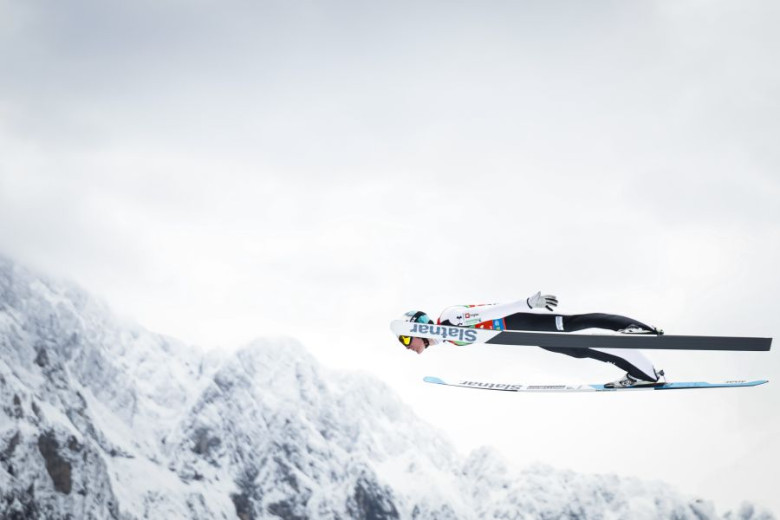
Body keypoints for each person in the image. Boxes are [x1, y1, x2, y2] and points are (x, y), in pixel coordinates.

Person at [397, 291, 664, 388]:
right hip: (520, 333)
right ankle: (643, 373)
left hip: (520, 320)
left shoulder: (450, 318)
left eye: (407, 341)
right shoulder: (447, 337)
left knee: (576, 323)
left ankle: (635, 328)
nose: (409, 348)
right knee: (579, 350)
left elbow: (491, 312)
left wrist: (526, 303)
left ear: (417, 329)